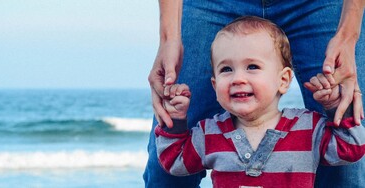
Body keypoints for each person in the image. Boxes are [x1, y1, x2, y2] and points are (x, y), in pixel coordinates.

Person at [145, 1, 365, 187]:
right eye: (226, 69)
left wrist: (336, 107)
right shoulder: (208, 134)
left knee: (348, 175)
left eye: (252, 67)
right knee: (161, 177)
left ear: (284, 79)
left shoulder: (308, 129)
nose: (238, 79)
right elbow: (173, 161)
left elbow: (350, 148)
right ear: (214, 84)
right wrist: (176, 120)